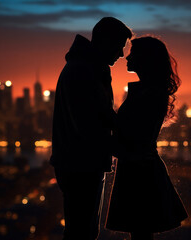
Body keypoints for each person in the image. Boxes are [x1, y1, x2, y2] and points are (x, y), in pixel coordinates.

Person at [50, 17, 132, 240]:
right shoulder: (83, 71)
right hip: (80, 164)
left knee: (84, 230)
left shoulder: (87, 69)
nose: (122, 54)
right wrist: (126, 150)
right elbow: (88, 126)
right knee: (82, 232)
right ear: (106, 41)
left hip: (81, 162)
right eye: (120, 46)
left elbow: (96, 117)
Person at [106, 36, 188, 240]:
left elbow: (134, 137)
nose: (126, 57)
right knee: (141, 232)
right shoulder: (148, 92)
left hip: (140, 173)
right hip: (140, 170)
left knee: (140, 232)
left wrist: (102, 140)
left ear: (146, 58)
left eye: (133, 52)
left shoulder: (149, 94)